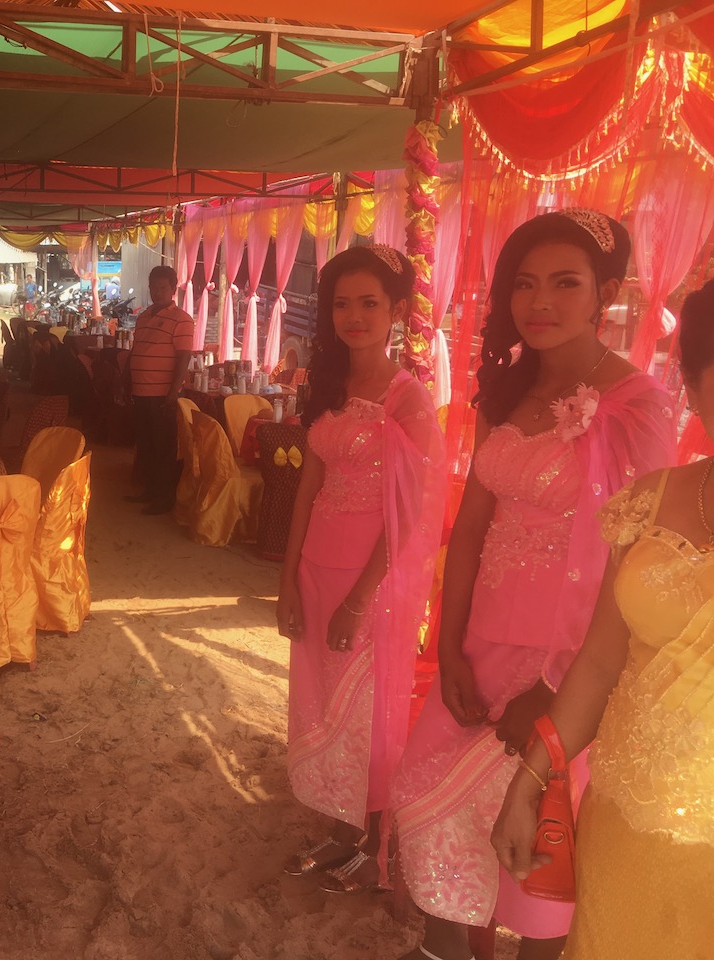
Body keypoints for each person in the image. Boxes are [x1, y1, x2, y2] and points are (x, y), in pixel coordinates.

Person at [389, 210, 677, 960]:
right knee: (426, 809)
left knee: (540, 850)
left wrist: (557, 689)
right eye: (524, 284)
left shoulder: (636, 404)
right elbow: (472, 529)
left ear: (604, 294)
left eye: (564, 283)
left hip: (569, 663)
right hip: (481, 645)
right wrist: (448, 648)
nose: (539, 301)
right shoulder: (506, 393)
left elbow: (630, 561)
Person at [491, 279, 714, 960]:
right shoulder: (646, 504)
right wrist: (530, 781)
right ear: (696, 388)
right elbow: (597, 662)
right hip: (626, 824)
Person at [276, 246, 446, 892]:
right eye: (342, 303)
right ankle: (341, 828)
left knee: (369, 716)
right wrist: (286, 577)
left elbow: (408, 514)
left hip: (368, 585)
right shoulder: (326, 388)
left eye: (369, 303)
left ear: (396, 311)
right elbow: (306, 490)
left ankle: (376, 844)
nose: (354, 316)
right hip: (316, 570)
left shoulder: (409, 401)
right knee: (321, 704)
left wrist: (358, 599)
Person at [125, 265, 194, 515]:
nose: (157, 292)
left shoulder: (182, 319)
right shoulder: (143, 317)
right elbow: (137, 351)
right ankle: (150, 491)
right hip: (140, 392)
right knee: (147, 445)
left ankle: (164, 499)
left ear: (174, 289)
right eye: (153, 287)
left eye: (162, 288)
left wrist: (173, 392)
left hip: (163, 394)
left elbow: (184, 357)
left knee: (164, 447)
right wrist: (126, 382)